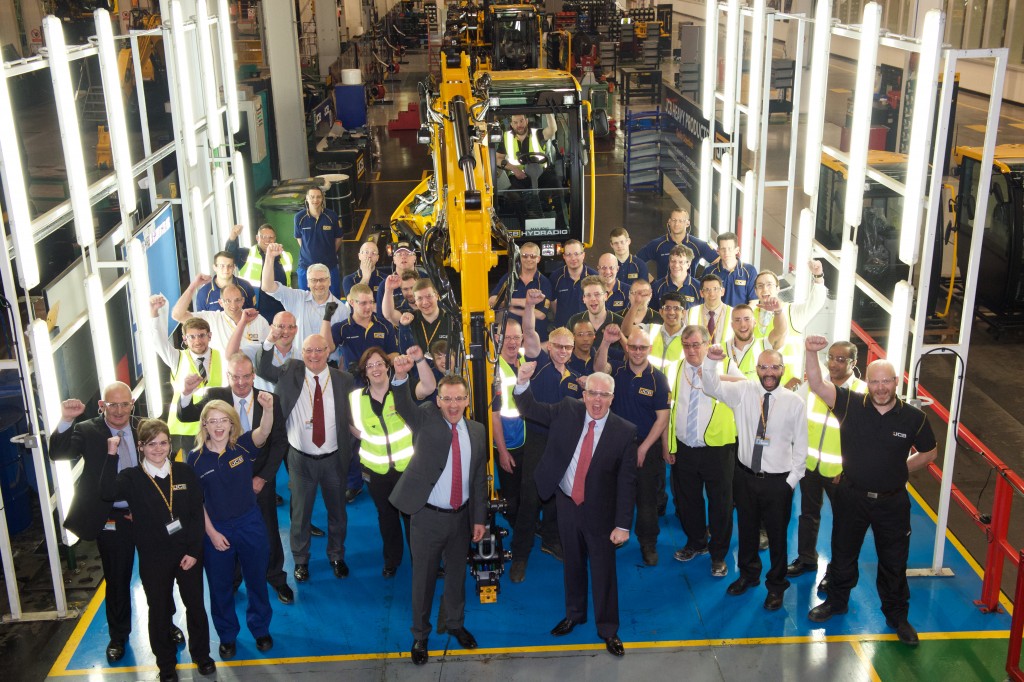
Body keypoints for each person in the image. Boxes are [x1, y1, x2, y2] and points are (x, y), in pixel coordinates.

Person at [804, 335, 937, 646]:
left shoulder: (914, 417)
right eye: (875, 381)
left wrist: (900, 470)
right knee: (843, 552)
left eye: (886, 382)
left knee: (894, 560)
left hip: (892, 503)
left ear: (895, 382)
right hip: (852, 497)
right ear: (869, 381)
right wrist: (811, 352)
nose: (880, 388)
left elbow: (930, 452)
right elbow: (816, 384)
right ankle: (837, 602)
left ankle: (897, 616)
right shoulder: (850, 403)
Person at [49, 385, 184, 662]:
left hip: (146, 516)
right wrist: (65, 419)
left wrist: (150, 507)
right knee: (117, 578)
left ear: (133, 403)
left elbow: (160, 466)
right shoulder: (87, 430)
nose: (120, 411)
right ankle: (118, 636)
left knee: (158, 576)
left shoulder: (145, 427)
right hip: (111, 518)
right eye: (113, 405)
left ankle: (166, 624)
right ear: (102, 405)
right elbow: (58, 453)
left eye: (125, 404)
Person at [513, 365, 637, 657]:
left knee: (604, 570)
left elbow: (627, 482)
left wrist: (622, 524)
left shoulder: (625, 431)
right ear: (583, 394)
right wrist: (521, 381)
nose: (597, 400)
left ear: (612, 398)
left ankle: (608, 629)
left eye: (603, 395)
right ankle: (574, 614)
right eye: (592, 393)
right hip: (567, 503)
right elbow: (529, 407)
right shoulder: (566, 410)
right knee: (572, 563)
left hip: (601, 513)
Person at [100, 419, 214, 682]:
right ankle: (166, 665)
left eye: (163, 443)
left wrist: (195, 552)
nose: (159, 449)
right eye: (151, 444)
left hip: (188, 554)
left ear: (169, 444)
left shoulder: (184, 472)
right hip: (154, 559)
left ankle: (202, 655)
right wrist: (111, 453)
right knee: (159, 611)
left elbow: (197, 515)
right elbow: (106, 492)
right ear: (141, 446)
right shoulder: (131, 478)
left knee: (196, 606)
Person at [176, 353, 292, 605]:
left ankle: (276, 577)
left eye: (246, 376)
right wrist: (185, 392)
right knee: (228, 531)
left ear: (253, 376)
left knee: (269, 528)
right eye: (235, 377)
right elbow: (185, 416)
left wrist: (263, 477)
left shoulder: (269, 400)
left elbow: (279, 441)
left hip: (258, 480)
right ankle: (234, 579)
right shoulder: (213, 397)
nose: (240, 382)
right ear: (228, 376)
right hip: (224, 484)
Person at [388, 370, 487, 665]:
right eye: (447, 399)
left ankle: (455, 623)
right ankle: (420, 634)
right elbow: (404, 405)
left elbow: (479, 478)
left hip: (461, 518)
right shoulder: (425, 421)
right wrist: (400, 378)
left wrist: (478, 519)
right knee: (424, 578)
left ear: (467, 400)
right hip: (427, 517)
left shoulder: (478, 431)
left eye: (459, 399)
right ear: (438, 401)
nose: (453, 405)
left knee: (456, 575)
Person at [701, 343, 807, 611]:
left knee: (777, 537)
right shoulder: (743, 391)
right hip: (745, 477)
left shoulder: (794, 402)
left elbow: (801, 447)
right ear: (757, 369)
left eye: (774, 367)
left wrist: (790, 482)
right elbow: (711, 387)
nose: (769, 372)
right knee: (746, 530)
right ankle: (748, 576)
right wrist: (712, 362)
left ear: (783, 370)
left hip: (777, 482)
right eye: (763, 367)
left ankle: (776, 586)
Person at [255, 334, 355, 582]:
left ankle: (336, 555)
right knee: (300, 515)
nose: (314, 355)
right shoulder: (291, 373)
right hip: (300, 460)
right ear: (302, 353)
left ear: (328, 351)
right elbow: (264, 367)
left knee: (338, 513)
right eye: (308, 350)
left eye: (319, 350)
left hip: (333, 458)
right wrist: (269, 341)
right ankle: (301, 560)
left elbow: (352, 416)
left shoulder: (344, 380)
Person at [187, 397, 275, 659]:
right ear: (204, 425)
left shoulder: (243, 446)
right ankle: (227, 636)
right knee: (220, 586)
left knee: (257, 580)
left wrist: (268, 409)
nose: (218, 426)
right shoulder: (195, 459)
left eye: (223, 420)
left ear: (231, 423)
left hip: (250, 524)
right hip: (217, 529)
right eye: (212, 421)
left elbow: (265, 431)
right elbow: (196, 503)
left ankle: (260, 629)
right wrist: (212, 534)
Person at [349, 345, 436, 577]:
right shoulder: (356, 398)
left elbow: (429, 387)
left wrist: (419, 361)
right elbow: (350, 425)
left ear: (388, 367)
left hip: (407, 467)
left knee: (413, 517)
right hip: (375, 470)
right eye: (370, 365)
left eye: (379, 363)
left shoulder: (402, 391)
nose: (375, 369)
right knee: (386, 517)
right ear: (364, 372)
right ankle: (392, 560)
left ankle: (422, 561)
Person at [787, 341, 866, 590]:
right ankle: (807, 559)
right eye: (831, 357)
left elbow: (863, 439)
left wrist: (848, 469)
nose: (833, 363)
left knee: (843, 524)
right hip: (810, 465)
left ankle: (835, 571)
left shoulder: (862, 394)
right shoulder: (816, 385)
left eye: (841, 359)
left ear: (854, 363)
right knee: (808, 514)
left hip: (839, 473)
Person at [662, 325, 737, 577]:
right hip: (684, 448)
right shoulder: (676, 367)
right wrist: (669, 444)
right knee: (687, 500)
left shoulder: (725, 365)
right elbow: (670, 409)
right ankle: (696, 542)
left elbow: (743, 388)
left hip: (717, 449)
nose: (691, 350)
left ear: (708, 343)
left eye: (696, 344)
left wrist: (717, 374)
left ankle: (718, 555)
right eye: (686, 345)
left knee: (721, 504)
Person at [611, 329, 669, 566]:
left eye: (642, 348)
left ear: (650, 350)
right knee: (615, 494)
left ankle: (648, 543)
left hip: (647, 446)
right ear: (627, 348)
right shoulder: (615, 373)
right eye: (633, 347)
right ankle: (614, 536)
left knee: (647, 499)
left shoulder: (659, 378)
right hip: (617, 448)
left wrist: (644, 448)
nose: (637, 352)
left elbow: (663, 418)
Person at [150, 298, 227, 455]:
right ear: (185, 339)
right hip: (183, 429)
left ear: (209, 336)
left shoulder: (221, 356)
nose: (197, 341)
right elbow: (159, 342)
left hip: (214, 427)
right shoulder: (177, 357)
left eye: (201, 335)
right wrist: (154, 314)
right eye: (192, 337)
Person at [752, 260, 827, 383]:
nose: (765, 289)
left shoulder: (791, 312)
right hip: (757, 384)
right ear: (755, 291)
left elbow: (815, 303)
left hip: (786, 385)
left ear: (778, 288)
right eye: (760, 286)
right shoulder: (750, 316)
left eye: (769, 285)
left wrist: (818, 277)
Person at [262, 243, 348, 340]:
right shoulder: (296, 298)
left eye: (323, 279)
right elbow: (267, 287)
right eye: (314, 280)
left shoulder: (342, 310)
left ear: (330, 281)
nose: (318, 284)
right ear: (307, 283)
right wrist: (269, 257)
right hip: (299, 356)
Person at [171, 277, 270, 355]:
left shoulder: (258, 320)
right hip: (223, 379)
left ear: (243, 301)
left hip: (253, 378)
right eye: (228, 301)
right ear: (220, 302)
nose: (233, 305)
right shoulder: (212, 319)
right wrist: (193, 286)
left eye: (237, 300)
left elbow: (270, 349)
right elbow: (178, 315)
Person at [495, 113, 563, 224]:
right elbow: (498, 158)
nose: (519, 125)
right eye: (515, 122)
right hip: (519, 176)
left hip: (541, 175)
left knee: (557, 186)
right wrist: (514, 169)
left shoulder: (538, 134)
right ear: (511, 124)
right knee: (512, 195)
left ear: (526, 121)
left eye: (521, 121)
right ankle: (524, 224)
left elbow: (552, 129)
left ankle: (561, 224)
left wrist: (548, 112)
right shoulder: (506, 138)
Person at [225, 223, 292, 321]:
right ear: (257, 238)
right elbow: (228, 255)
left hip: (282, 307)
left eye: (271, 237)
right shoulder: (247, 255)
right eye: (263, 237)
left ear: (275, 238)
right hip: (256, 309)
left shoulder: (286, 256)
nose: (267, 240)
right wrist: (233, 236)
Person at [323, 283, 398, 371]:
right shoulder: (341, 328)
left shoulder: (385, 326)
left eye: (371, 302)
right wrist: (327, 317)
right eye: (363, 303)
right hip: (354, 382)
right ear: (352, 303)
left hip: (380, 380)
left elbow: (394, 355)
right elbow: (326, 349)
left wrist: (370, 366)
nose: (368, 307)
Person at [488, 242, 553, 341]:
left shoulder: (544, 283)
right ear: (520, 258)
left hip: (535, 339)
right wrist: (523, 302)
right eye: (525, 256)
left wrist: (509, 307)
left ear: (538, 259)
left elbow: (541, 315)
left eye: (532, 256)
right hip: (510, 339)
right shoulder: (509, 278)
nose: (528, 259)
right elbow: (492, 301)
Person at [636, 208, 717, 279]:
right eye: (674, 220)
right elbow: (635, 262)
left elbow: (719, 262)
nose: (676, 224)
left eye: (681, 221)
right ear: (669, 221)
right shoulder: (657, 244)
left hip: (688, 293)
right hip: (664, 293)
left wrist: (700, 282)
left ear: (687, 223)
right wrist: (652, 282)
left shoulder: (699, 245)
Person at [294, 185, 343, 295]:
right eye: (312, 197)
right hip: (306, 267)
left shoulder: (332, 216)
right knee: (305, 300)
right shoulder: (299, 218)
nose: (315, 200)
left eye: (318, 197)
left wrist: (330, 253)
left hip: (329, 266)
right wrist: (309, 252)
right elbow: (299, 238)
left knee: (333, 301)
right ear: (307, 198)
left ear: (322, 199)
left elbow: (338, 238)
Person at [567, 275, 625, 368]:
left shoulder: (620, 322)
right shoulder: (574, 321)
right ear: (583, 299)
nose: (593, 299)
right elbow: (566, 351)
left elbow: (631, 356)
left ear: (605, 296)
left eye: (597, 294)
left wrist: (621, 336)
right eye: (588, 295)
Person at [383, 277, 452, 353]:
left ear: (437, 296)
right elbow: (389, 315)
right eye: (420, 298)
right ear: (415, 301)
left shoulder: (451, 320)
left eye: (429, 296)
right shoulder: (409, 320)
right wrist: (388, 290)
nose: (425, 302)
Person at [722, 302, 788, 381]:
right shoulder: (719, 350)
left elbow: (780, 331)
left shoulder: (764, 345)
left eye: (747, 319)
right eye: (737, 320)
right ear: (732, 325)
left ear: (754, 322)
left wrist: (778, 311)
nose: (743, 324)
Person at [550, 240, 597, 328]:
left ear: (583, 255)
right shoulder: (555, 277)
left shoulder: (594, 277)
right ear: (564, 256)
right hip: (563, 330)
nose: (573, 258)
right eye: (568, 254)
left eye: (576, 254)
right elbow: (553, 302)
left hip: (589, 330)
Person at [704, 232, 758, 306]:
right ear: (718, 251)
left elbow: (754, 301)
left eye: (730, 249)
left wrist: (742, 316)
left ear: (737, 250)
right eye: (723, 249)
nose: (726, 252)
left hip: (741, 317)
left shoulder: (749, 271)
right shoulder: (709, 271)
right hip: (717, 316)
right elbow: (704, 299)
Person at [687, 274, 732, 346]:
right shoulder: (690, 313)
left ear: (722, 291)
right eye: (707, 290)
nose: (712, 294)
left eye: (715, 289)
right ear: (701, 293)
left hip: (726, 356)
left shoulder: (733, 314)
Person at [651, 245, 701, 310]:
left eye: (681, 262)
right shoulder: (656, 287)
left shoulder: (699, 288)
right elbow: (652, 315)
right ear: (669, 262)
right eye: (673, 261)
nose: (676, 265)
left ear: (688, 264)